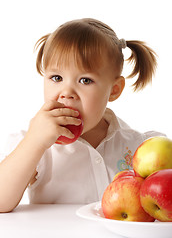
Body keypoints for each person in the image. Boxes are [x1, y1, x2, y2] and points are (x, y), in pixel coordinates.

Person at [0, 18, 163, 212]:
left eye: (85, 80)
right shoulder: (34, 147)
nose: (66, 92)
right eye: (56, 78)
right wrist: (34, 142)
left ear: (114, 90)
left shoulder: (138, 147)